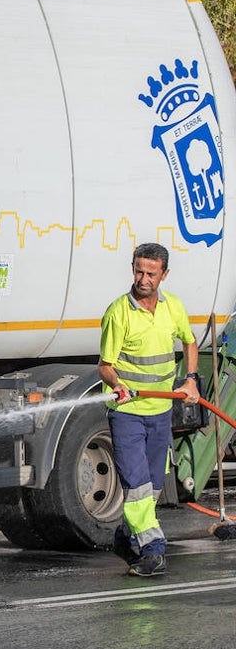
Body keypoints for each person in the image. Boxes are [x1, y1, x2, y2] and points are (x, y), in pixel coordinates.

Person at [98, 242, 200, 577]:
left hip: (160, 412)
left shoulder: (174, 308)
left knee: (154, 486)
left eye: (151, 273)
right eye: (139, 271)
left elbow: (189, 341)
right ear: (133, 269)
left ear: (164, 275)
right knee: (137, 482)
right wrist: (117, 385)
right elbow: (105, 366)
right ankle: (154, 548)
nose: (144, 279)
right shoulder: (119, 313)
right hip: (127, 412)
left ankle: (125, 538)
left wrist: (190, 381)